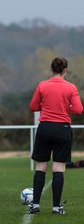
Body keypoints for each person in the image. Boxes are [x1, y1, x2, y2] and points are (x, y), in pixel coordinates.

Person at [28, 57, 83, 215]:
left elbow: (33, 106)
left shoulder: (42, 85)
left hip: (45, 127)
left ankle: (35, 205)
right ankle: (56, 207)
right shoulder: (71, 87)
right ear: (65, 70)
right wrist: (66, 107)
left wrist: (45, 105)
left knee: (41, 166)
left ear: (52, 69)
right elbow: (79, 110)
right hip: (62, 129)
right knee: (59, 167)